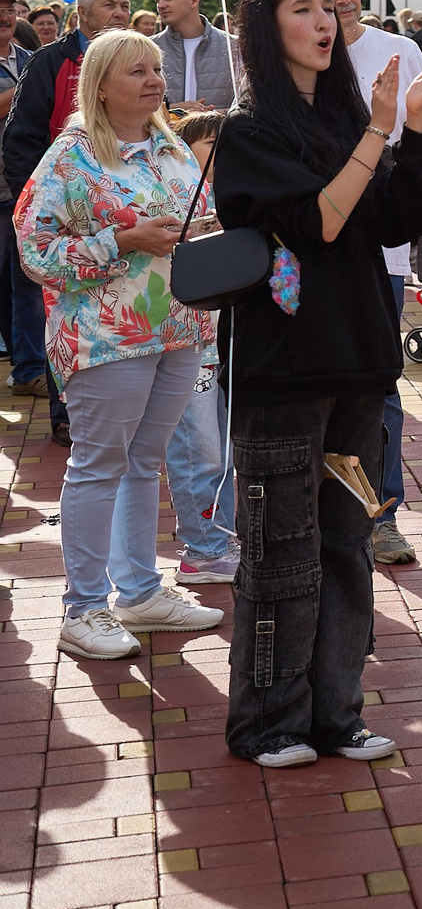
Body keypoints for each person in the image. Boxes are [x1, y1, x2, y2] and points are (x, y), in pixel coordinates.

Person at [214, 0, 422, 765]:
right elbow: (318, 222)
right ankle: (268, 722)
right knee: (280, 551)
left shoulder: (352, 114)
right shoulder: (249, 130)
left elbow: (401, 213)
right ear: (265, 25)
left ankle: (336, 713)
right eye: (305, 9)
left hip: (358, 365)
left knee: (346, 545)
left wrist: (413, 127)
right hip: (285, 373)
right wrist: (377, 136)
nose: (328, 20)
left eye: (333, 6)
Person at [14, 29, 227, 660]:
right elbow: (35, 255)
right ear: (101, 85)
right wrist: (122, 243)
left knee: (145, 461)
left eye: (157, 68)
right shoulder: (72, 157)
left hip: (180, 326)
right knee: (99, 465)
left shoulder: (172, 147)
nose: (154, 79)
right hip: (106, 337)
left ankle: (138, 592)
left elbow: (192, 219)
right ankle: (82, 609)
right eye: (137, 71)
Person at [285, 0, 422, 570]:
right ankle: (311, 510)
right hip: (309, 250)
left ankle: (379, 513)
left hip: (384, 252)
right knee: (315, 385)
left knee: (380, 386)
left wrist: (417, 150)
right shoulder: (287, 65)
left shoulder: (399, 52)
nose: (344, 3)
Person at [2, 0, 134, 445]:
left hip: (128, 219)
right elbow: (20, 142)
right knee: (67, 313)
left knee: (119, 313)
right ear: (81, 16)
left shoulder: (139, 60)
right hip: (66, 222)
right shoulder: (49, 63)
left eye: (123, 4)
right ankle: (66, 413)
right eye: (107, 5)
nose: (119, 12)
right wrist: (39, 206)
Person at [166, 110, 238, 586]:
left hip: (225, 340)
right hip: (186, 339)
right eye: (209, 142)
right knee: (199, 448)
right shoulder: (175, 191)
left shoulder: (235, 193)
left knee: (226, 450)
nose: (220, 151)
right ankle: (200, 548)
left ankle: (220, 536)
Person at [0, 0, 46, 402]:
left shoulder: (29, 60)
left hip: (23, 186)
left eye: (9, 9)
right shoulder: (35, 68)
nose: (4, 16)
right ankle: (23, 363)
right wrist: (30, 85)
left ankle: (29, 366)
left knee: (26, 279)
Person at [153, 0, 238, 113]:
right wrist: (172, 110)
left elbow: (250, 106)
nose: (161, 5)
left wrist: (209, 118)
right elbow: (130, 109)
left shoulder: (234, 47)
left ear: (194, 0)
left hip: (220, 134)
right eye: (157, 0)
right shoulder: (147, 49)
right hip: (163, 134)